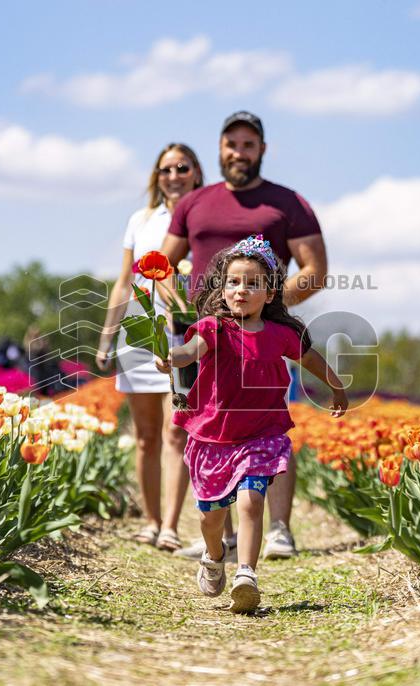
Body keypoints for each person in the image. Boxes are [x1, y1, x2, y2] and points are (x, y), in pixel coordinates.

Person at [161, 111, 329, 560]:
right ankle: (227, 535)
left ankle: (279, 530)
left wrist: (266, 309)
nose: (239, 152)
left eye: (248, 144)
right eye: (231, 143)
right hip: (205, 336)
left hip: (261, 338)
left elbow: (315, 270)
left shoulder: (287, 203)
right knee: (210, 425)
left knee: (269, 423)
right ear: (220, 149)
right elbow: (161, 265)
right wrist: (179, 305)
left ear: (262, 150)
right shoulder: (194, 203)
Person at [156, 236, 347, 612]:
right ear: (222, 288)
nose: (241, 290)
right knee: (211, 518)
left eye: (252, 283)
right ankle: (214, 555)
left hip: (261, 435)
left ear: (270, 292)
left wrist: (337, 388)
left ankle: (246, 574)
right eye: (233, 282)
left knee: (251, 501)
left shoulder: (281, 335)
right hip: (213, 437)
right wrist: (171, 357)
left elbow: (310, 359)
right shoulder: (213, 329)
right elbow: (189, 351)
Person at [96, 143, 204, 552]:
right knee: (145, 436)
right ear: (156, 176)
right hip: (139, 334)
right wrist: (107, 336)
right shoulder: (140, 221)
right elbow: (124, 282)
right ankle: (151, 520)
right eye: (166, 169)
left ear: (196, 173)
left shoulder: (205, 216)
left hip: (185, 334)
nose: (173, 176)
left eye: (182, 167)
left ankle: (171, 526)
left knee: (176, 430)